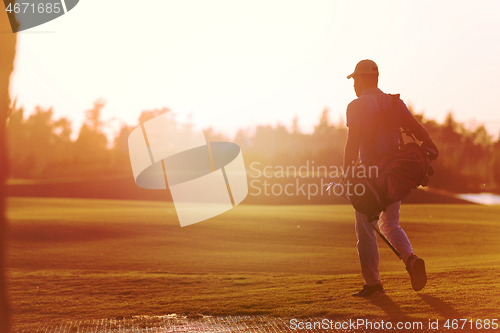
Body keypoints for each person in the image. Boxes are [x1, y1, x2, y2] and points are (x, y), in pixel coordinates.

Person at [343, 59, 438, 297]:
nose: (353, 85)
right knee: (390, 223)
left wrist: (347, 174)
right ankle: (411, 259)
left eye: (355, 79)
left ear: (364, 79)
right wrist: (430, 146)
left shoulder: (355, 106)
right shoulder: (394, 102)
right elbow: (418, 129)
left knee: (365, 230)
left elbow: (353, 142)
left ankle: (373, 284)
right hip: (395, 173)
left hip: (370, 176)